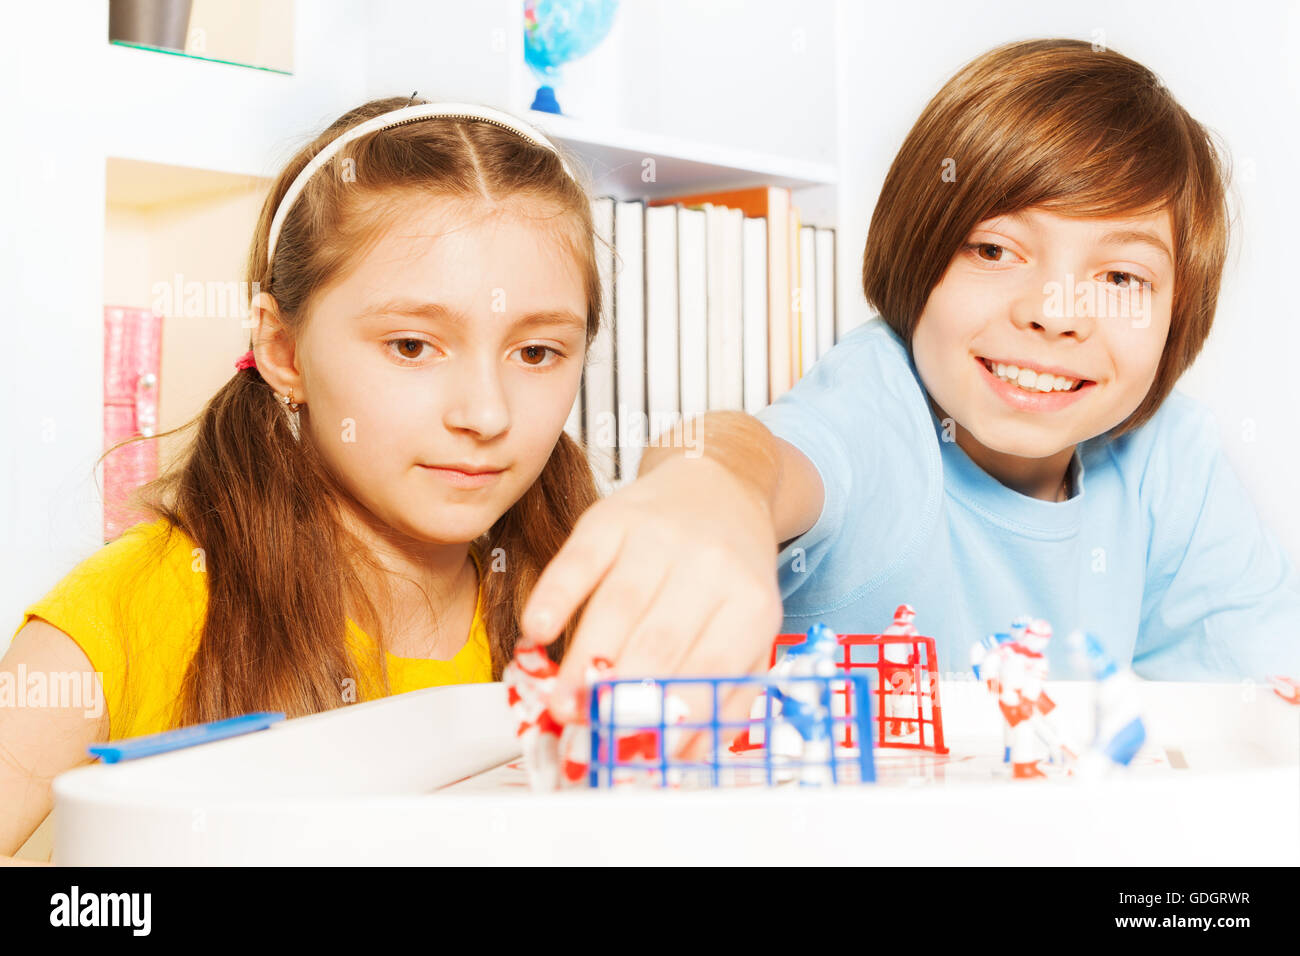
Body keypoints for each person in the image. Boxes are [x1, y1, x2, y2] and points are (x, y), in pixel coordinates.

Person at [521, 38, 1300, 732]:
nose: (1054, 314)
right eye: (995, 251)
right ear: (916, 254)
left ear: (1177, 316)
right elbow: (767, 455)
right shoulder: (880, 395)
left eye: (1122, 274)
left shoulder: (1170, 454)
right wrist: (707, 487)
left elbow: (1256, 692)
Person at [1, 96, 602, 861]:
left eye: (537, 353)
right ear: (283, 350)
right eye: (413, 346)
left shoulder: (605, 621)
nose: (486, 413)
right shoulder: (122, 614)